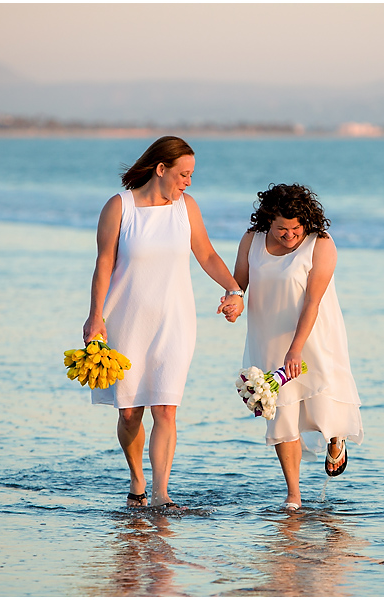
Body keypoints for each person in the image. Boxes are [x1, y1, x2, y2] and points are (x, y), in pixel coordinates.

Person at [83, 136, 245, 509]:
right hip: (125, 320)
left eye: (191, 175)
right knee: (129, 413)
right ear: (161, 169)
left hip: (175, 320)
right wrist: (95, 315)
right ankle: (136, 478)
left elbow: (206, 254)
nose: (188, 182)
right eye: (184, 174)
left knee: (166, 407)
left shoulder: (186, 208)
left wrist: (235, 290)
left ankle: (160, 494)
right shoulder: (119, 207)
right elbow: (103, 263)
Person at [230, 183, 363, 510]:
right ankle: (294, 494)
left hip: (313, 333)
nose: (289, 235)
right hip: (268, 334)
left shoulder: (321, 244)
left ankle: (336, 436)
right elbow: (239, 284)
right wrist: (233, 300)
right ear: (268, 221)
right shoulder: (252, 240)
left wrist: (296, 348)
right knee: (282, 414)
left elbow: (313, 302)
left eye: (295, 229)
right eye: (281, 229)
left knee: (321, 407)